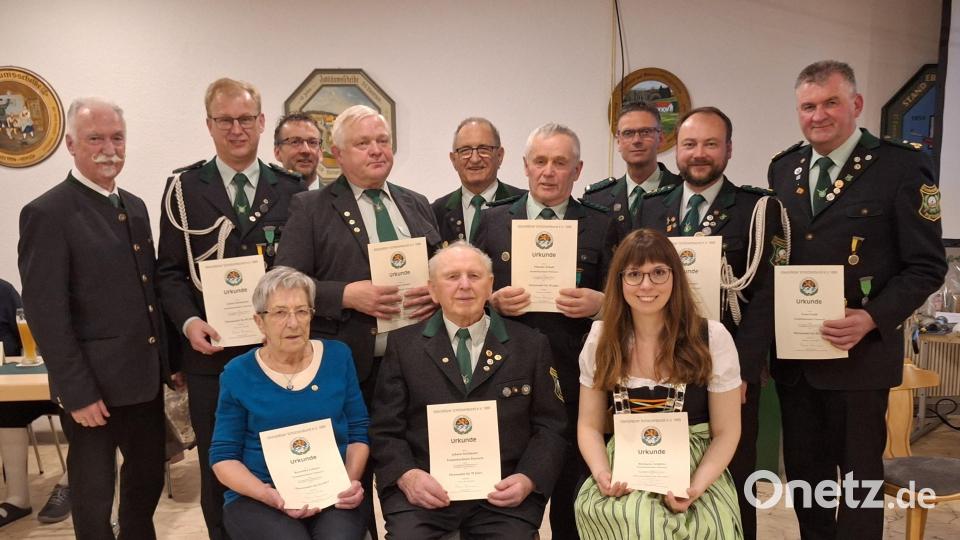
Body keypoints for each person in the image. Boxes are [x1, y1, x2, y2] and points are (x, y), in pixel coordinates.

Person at [768, 60, 946, 538]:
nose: (818, 115)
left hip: (860, 360)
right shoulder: (785, 169)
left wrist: (871, 317)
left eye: (830, 102)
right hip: (798, 360)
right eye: (808, 106)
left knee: (858, 486)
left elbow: (927, 265)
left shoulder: (901, 166)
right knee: (807, 482)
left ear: (856, 105)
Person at [156, 77, 304, 540]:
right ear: (209, 124)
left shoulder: (291, 188)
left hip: (280, 356)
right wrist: (187, 321)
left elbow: (303, 269)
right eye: (225, 120)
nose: (236, 129)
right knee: (219, 464)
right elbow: (168, 272)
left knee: (283, 455)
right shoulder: (182, 188)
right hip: (212, 356)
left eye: (245, 119)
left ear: (261, 123)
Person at [18, 97, 172, 539]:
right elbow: (48, 314)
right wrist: (76, 392)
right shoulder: (48, 213)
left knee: (146, 485)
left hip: (143, 381)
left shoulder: (136, 206)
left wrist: (169, 363)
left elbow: (149, 293)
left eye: (118, 137)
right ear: (70, 144)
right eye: (96, 138)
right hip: (93, 392)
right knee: (93, 496)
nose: (110, 148)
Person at [629, 106, 782, 538]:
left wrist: (746, 370)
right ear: (676, 149)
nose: (699, 154)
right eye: (690, 144)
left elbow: (766, 297)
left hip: (726, 370)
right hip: (658, 366)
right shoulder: (652, 207)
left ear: (729, 150)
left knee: (734, 474)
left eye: (711, 144)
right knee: (661, 474)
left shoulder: (757, 209)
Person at [370, 242, 567, 538]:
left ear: (490, 286)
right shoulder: (403, 346)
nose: (464, 285)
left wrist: (528, 478)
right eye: (452, 277)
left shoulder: (530, 345)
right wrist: (407, 475)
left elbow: (551, 426)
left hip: (502, 491)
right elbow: (385, 429)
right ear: (433, 290)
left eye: (474, 276)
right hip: (426, 491)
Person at [473, 123, 608, 540]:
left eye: (560, 163)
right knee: (509, 486)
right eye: (540, 161)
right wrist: (491, 301)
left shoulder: (602, 225)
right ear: (526, 166)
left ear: (578, 169)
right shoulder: (493, 221)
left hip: (576, 372)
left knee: (574, 484)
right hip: (508, 374)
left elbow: (631, 295)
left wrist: (601, 303)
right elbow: (468, 292)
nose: (549, 172)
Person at [575, 228, 742, 539]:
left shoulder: (712, 337)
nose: (647, 285)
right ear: (620, 281)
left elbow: (727, 432)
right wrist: (602, 474)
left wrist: (695, 487)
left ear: (675, 277)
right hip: (624, 464)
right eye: (635, 274)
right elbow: (589, 426)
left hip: (696, 466)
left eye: (658, 272)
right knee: (630, 521)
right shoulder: (601, 339)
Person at [210, 266, 369, 539]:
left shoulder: (338, 356)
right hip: (259, 495)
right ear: (259, 321)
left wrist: (348, 482)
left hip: (331, 492)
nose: (293, 323)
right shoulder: (237, 373)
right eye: (280, 312)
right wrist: (268, 495)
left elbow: (357, 431)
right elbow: (223, 458)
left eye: (302, 311)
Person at [0, 278, 71, 528]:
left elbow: (29, 338)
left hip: (41, 379)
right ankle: (16, 498)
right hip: (8, 392)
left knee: (74, 401)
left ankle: (68, 483)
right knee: (5, 409)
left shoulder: (3, 291)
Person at [586, 102, 681, 239]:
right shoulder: (597, 199)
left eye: (645, 132)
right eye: (628, 133)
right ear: (618, 141)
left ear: (660, 138)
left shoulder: (681, 192)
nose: (636, 140)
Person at [431, 117, 526, 244]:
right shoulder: (436, 213)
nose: (475, 159)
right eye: (465, 150)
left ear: (499, 156)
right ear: (453, 160)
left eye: (484, 149)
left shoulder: (524, 203)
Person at [274, 112, 328, 190]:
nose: (306, 150)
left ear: (320, 152)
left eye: (312, 142)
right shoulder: (263, 199)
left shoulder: (342, 201)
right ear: (277, 152)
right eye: (295, 142)